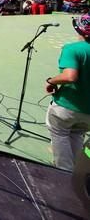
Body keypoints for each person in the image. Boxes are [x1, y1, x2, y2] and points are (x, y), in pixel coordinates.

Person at [44, 13, 90, 171]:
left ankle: (64, 172)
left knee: (60, 134)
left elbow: (70, 76)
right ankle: (75, 171)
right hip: (88, 112)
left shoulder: (73, 49)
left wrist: (51, 81)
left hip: (68, 106)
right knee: (77, 134)